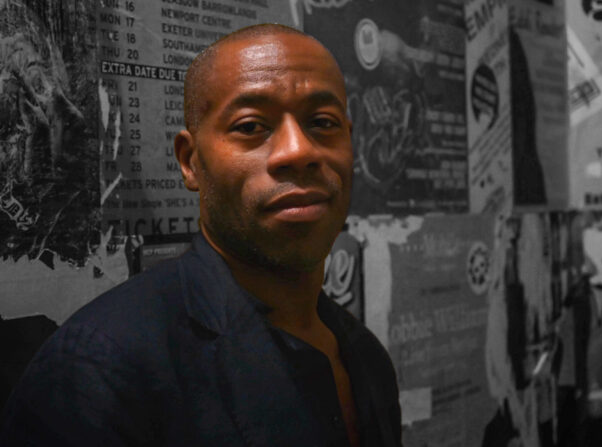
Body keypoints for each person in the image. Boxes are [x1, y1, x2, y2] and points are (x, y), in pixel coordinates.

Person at [0, 24, 402, 446]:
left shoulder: (366, 357)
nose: (299, 151)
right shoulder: (96, 373)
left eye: (322, 122)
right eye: (251, 126)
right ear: (190, 162)